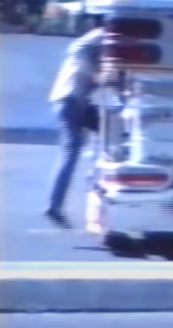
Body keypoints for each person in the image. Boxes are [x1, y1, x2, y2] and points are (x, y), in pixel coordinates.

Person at [46, 26, 110, 228]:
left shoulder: (91, 57)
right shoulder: (86, 49)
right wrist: (99, 76)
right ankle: (54, 206)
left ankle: (95, 181)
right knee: (71, 151)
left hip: (74, 103)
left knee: (109, 134)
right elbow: (77, 49)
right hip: (70, 101)